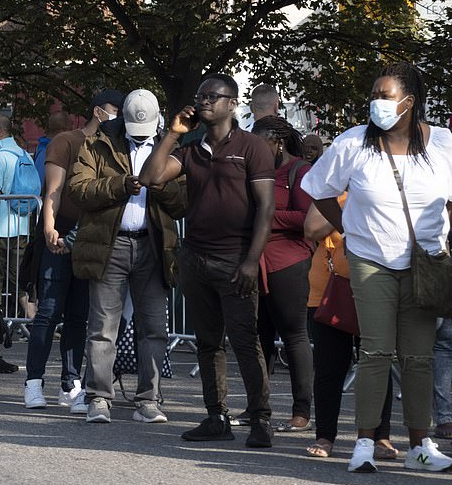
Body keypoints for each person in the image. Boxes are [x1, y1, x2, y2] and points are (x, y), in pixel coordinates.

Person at [302, 61, 452, 472]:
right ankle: (365, 443)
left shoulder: (443, 144)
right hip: (371, 263)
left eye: (384, 96)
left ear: (410, 101)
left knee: (419, 358)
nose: (375, 103)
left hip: (426, 266)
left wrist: (443, 241)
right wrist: (348, 227)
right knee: (375, 351)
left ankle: (420, 445)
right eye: (373, 95)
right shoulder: (354, 143)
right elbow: (319, 191)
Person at [139, 73, 276, 449]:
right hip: (195, 259)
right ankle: (217, 417)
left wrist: (251, 261)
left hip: (235, 261)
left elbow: (266, 208)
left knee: (246, 342)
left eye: (212, 96)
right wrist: (172, 134)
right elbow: (150, 179)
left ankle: (260, 419)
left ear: (233, 104)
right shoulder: (191, 149)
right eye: (200, 96)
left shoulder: (252, 147)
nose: (203, 102)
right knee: (207, 343)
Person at [69, 89, 187, 424]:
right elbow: (78, 189)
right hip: (111, 245)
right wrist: (121, 184)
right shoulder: (97, 144)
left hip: (153, 246)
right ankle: (99, 398)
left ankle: (148, 400)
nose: (140, 137)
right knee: (103, 328)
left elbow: (182, 202)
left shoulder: (172, 148)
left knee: (153, 328)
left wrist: (159, 185)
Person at [22, 89, 122, 411]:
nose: (117, 117)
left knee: (80, 315)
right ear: (97, 111)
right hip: (60, 232)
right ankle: (33, 382)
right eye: (113, 111)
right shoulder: (66, 141)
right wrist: (50, 228)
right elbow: (54, 189)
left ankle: (71, 383)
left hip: (91, 238)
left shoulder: (114, 148)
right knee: (48, 311)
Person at [302, 200, 398, 460]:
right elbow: (311, 229)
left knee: (377, 363)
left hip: (376, 288)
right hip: (329, 291)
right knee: (329, 368)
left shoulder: (385, 188)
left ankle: (381, 437)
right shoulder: (335, 191)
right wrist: (353, 207)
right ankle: (325, 436)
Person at [249, 116, 315, 433]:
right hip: (256, 263)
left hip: (288, 262)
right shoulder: (258, 171)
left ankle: (302, 411)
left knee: (293, 336)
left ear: (277, 141)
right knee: (257, 339)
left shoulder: (300, 171)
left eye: (259, 143)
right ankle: (257, 409)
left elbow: (307, 217)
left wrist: (266, 215)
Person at [0, 113, 36, 320]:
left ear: (1, 132)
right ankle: (31, 319)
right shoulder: (24, 154)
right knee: (19, 279)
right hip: (21, 226)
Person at [32, 111, 71, 190]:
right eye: (70, 127)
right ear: (63, 129)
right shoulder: (45, 150)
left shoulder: (44, 148)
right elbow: (40, 181)